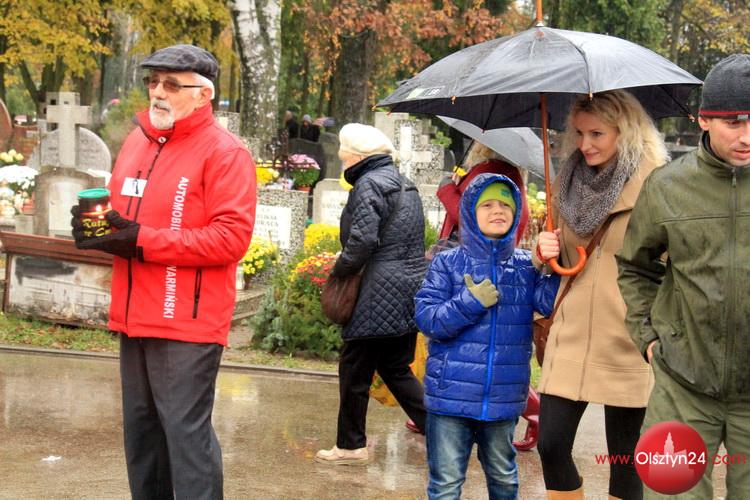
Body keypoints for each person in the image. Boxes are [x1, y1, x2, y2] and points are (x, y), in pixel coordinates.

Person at [71, 44, 256, 499]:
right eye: (153, 81)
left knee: (186, 441)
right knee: (143, 439)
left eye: (172, 85)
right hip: (134, 314)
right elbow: (126, 219)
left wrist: (140, 240)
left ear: (203, 94)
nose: (158, 92)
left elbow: (230, 239)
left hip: (186, 320)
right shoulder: (138, 140)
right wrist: (100, 231)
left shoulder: (226, 153)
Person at [617, 54, 750, 499]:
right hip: (683, 385)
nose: (747, 136)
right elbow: (635, 266)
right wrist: (650, 338)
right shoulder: (667, 187)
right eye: (734, 121)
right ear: (704, 120)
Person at [535, 89, 669, 499]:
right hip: (571, 330)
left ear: (624, 132)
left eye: (597, 134)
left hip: (629, 336)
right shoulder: (567, 181)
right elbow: (561, 256)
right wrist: (543, 251)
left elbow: (675, 262)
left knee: (625, 462)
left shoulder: (656, 185)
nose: (585, 144)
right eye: (579, 133)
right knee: (551, 445)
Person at [415, 174, 559, 499]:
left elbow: (547, 304)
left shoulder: (525, 266)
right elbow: (429, 320)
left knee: (504, 480)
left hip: (502, 399)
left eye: (506, 205)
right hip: (450, 398)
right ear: (469, 211)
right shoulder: (447, 263)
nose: (498, 211)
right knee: (446, 484)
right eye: (488, 205)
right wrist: (470, 302)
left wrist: (551, 266)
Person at [315, 123, 427, 465]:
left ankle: (351, 446)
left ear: (357, 156)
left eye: (344, 154)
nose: (342, 160)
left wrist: (340, 268)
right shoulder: (405, 184)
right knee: (394, 367)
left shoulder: (369, 184)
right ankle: (443, 432)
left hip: (375, 290)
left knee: (354, 369)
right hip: (407, 287)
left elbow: (362, 241)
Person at [433, 140, 540, 450]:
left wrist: (447, 190)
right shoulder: (498, 170)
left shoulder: (495, 170)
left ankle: (534, 411)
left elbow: (467, 215)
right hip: (474, 257)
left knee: (486, 345)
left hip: (477, 261)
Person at [437, 142, 529, 245]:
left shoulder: (493, 169)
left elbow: (470, 215)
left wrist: (447, 190)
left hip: (468, 248)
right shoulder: (507, 171)